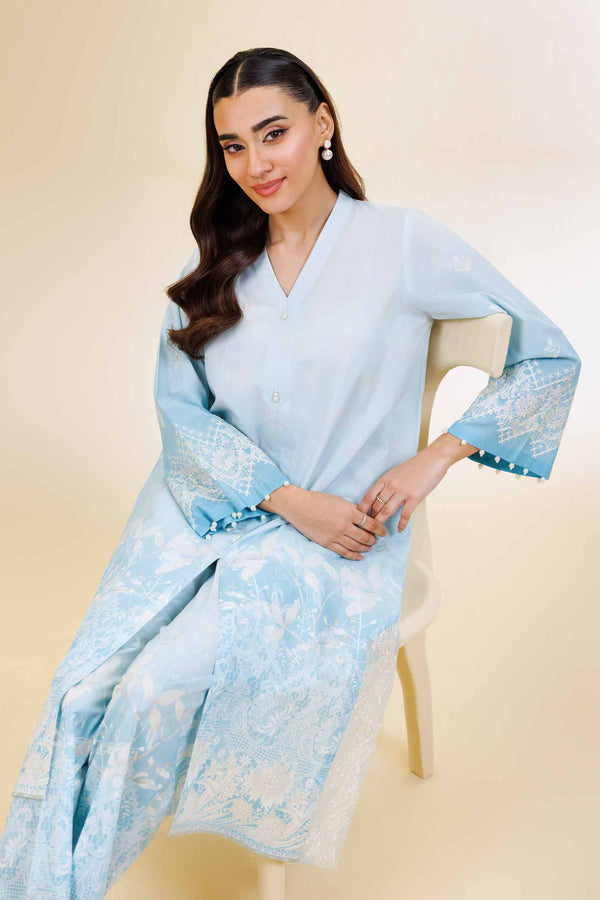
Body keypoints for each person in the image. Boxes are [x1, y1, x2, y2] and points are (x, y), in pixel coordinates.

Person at [0, 46, 581, 897]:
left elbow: (548, 356)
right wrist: (281, 497)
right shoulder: (215, 268)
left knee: (151, 689)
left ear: (323, 124)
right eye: (233, 146)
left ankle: (74, 883)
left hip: (333, 545)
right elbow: (181, 415)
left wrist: (436, 455)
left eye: (273, 133)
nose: (255, 164)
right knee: (83, 687)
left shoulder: (402, 244)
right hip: (202, 513)